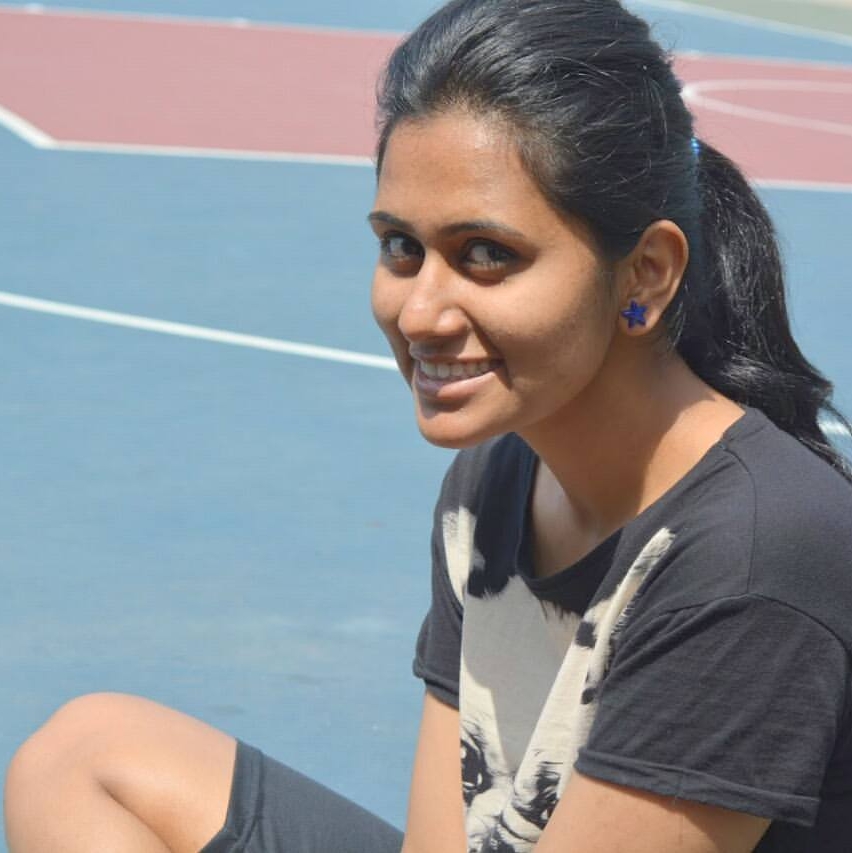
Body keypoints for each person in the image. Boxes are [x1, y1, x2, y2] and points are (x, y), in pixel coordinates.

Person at [5, 0, 852, 851]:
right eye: (401, 247)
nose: (419, 312)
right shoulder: (498, 477)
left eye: (487, 254)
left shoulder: (755, 549)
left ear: (647, 272)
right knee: (84, 758)